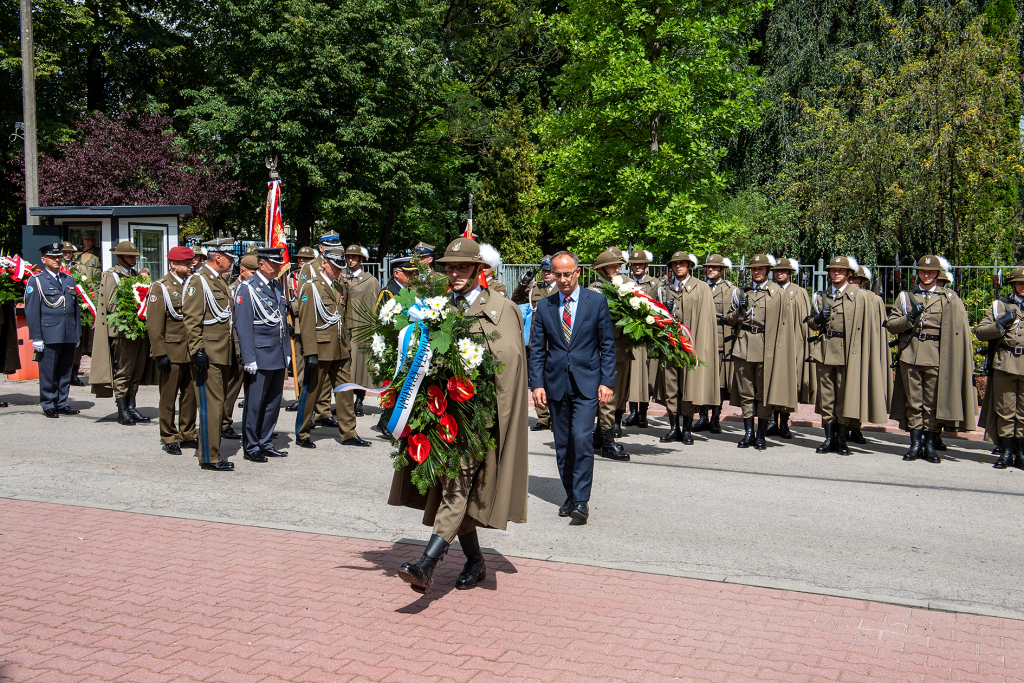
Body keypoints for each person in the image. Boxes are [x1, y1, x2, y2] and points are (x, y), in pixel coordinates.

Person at [390, 237, 529, 594]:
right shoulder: (438, 308)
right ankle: (475, 560)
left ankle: (426, 564)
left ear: (479, 271)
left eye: (463, 267)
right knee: (451, 487)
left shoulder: (501, 308)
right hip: (440, 413)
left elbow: (509, 366)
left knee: (457, 486)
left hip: (477, 419)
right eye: (450, 267)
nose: (454, 274)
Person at [530, 250, 616, 523]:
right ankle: (570, 493)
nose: (563, 279)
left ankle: (581, 500)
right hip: (555, 384)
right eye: (558, 274)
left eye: (568, 274)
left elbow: (607, 346)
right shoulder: (545, 306)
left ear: (578, 272)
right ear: (552, 275)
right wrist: (537, 384)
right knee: (563, 444)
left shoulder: (596, 302)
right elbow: (536, 350)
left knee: (581, 439)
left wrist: (606, 381)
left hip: (587, 383)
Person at [887, 255, 976, 462]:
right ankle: (915, 443)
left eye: (931, 272)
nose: (926, 275)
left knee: (932, 403)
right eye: (923, 271)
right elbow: (891, 325)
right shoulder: (905, 297)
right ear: (917, 273)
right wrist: (908, 319)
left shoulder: (949, 298)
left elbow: (958, 329)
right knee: (913, 402)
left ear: (938, 274)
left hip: (937, 356)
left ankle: (930, 443)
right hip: (911, 354)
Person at [807, 256, 892, 455]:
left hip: (849, 352)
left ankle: (842, 440)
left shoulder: (860, 296)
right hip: (826, 350)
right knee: (827, 398)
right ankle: (829, 439)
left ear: (848, 274)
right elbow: (811, 322)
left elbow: (869, 328)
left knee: (845, 396)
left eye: (840, 271)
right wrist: (817, 319)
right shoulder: (821, 296)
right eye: (833, 270)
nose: (836, 273)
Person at [293, 247, 371, 450]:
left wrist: (348, 345)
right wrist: (309, 352)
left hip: (340, 347)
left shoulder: (340, 287)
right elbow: (307, 321)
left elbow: (344, 319)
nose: (338, 271)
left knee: (345, 391)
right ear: (324, 262)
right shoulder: (311, 287)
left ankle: (349, 433)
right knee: (311, 391)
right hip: (319, 347)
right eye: (335, 267)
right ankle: (302, 432)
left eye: (340, 267)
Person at [723, 254, 799, 450]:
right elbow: (730, 320)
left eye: (760, 269)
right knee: (746, 392)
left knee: (764, 393)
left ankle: (761, 435)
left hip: (767, 347)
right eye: (754, 269)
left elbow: (785, 325)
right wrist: (739, 311)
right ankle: (748, 433)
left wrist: (780, 352)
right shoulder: (742, 292)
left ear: (767, 270)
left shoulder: (779, 293)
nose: (757, 272)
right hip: (744, 345)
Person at [183, 238, 238, 471]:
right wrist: (198, 350)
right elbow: (192, 319)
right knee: (210, 406)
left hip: (222, 352)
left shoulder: (218, 281)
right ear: (218, 257)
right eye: (230, 257)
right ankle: (209, 457)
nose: (233, 262)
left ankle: (212, 452)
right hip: (208, 353)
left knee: (217, 404)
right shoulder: (199, 281)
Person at [655, 252, 719, 444]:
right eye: (675, 264)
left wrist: (700, 346)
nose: (678, 267)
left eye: (682, 263)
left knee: (689, 386)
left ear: (690, 266)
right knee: (671, 385)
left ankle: (688, 429)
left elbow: (706, 321)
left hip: (691, 344)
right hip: (671, 344)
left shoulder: (701, 288)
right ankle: (674, 428)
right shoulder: (664, 288)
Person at [234, 247, 291, 463]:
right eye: (274, 265)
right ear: (261, 264)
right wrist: (248, 357)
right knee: (255, 403)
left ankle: (265, 441)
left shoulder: (276, 286)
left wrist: (286, 350)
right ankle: (251, 445)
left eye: (279, 265)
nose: (278, 269)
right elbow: (244, 326)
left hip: (276, 354)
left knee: (273, 402)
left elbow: (281, 324)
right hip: (259, 355)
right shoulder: (247, 288)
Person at [91, 241, 151, 426]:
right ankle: (122, 409)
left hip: (138, 329)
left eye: (135, 256)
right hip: (122, 331)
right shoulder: (112, 275)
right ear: (120, 257)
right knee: (124, 371)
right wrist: (133, 307)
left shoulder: (133, 274)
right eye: (130, 256)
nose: (134, 259)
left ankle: (132, 407)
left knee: (136, 370)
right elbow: (110, 304)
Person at [147, 246, 199, 455]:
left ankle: (188, 433)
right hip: (171, 350)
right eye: (186, 264)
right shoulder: (161, 288)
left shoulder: (193, 285)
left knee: (190, 396)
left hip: (191, 351)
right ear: (173, 264)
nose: (190, 267)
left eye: (191, 263)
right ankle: (169, 435)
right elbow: (154, 324)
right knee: (168, 397)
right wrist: (160, 353)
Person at [24, 242, 81, 417]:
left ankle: (62, 402)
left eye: (59, 256)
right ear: (43, 259)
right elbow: (32, 311)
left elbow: (75, 309)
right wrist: (36, 337)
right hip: (48, 333)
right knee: (48, 371)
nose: (57, 260)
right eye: (52, 257)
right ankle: (48, 403)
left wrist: (77, 332)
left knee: (65, 371)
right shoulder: (37, 281)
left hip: (68, 332)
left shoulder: (68, 279)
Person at [976, 267, 1024, 469]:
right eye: (1020, 283)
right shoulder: (999, 307)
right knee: (1005, 411)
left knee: (1023, 412)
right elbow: (980, 332)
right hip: (1006, 362)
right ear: (1012, 285)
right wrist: (1000, 325)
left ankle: (1020, 453)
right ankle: (1005, 452)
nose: (1023, 287)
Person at [587, 248, 631, 461]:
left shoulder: (621, 286)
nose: (617, 269)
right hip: (606, 351)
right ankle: (607, 443)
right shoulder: (596, 291)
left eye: (618, 265)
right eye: (613, 266)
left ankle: (598, 437)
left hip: (621, 349)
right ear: (602, 269)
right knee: (608, 397)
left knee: (619, 394)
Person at [766, 258, 815, 439]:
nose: (780, 274)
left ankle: (784, 423)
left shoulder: (799, 292)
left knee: (788, 383)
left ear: (790, 273)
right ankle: (772, 421)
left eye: (783, 271)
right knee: (771, 381)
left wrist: (802, 343)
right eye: (777, 271)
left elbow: (804, 321)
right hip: (771, 343)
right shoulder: (769, 290)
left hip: (792, 342)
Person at [511, 256, 557, 432]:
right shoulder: (534, 289)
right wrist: (524, 283)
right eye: (544, 270)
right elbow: (516, 300)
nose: (547, 273)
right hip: (536, 340)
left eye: (550, 270)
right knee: (538, 378)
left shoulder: (561, 288)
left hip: (555, 340)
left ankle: (556, 416)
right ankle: (543, 417)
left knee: (555, 380)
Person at [695, 254, 737, 434]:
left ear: (722, 270)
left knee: (718, 382)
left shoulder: (731, 290)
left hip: (721, 340)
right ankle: (702, 417)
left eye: (714, 267)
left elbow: (734, 317)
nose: (710, 270)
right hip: (701, 339)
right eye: (708, 267)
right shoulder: (699, 288)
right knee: (702, 378)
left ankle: (715, 419)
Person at [621, 249, 660, 432]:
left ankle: (643, 413)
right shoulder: (624, 283)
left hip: (647, 334)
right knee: (631, 373)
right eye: (634, 264)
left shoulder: (655, 284)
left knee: (645, 374)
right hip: (630, 333)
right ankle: (633, 412)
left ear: (646, 266)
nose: (637, 267)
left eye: (640, 264)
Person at [344, 244, 380, 416]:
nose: (350, 260)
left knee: (360, 365)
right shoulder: (342, 278)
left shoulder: (370, 281)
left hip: (361, 327)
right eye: (348, 257)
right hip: (345, 326)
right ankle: (345, 401)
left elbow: (377, 306)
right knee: (346, 365)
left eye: (354, 257)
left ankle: (359, 400)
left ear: (361, 259)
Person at [220, 255, 253, 441]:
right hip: (237, 346)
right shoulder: (232, 289)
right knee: (232, 388)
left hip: (254, 346)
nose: (256, 275)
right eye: (252, 272)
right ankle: (224, 423)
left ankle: (252, 426)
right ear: (242, 271)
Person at [283, 246, 316, 412]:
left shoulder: (316, 278)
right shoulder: (290, 277)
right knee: (299, 364)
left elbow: (308, 301)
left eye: (305, 259)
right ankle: (300, 396)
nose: (301, 261)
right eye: (299, 259)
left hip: (312, 324)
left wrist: (294, 305)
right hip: (295, 325)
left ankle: (314, 400)